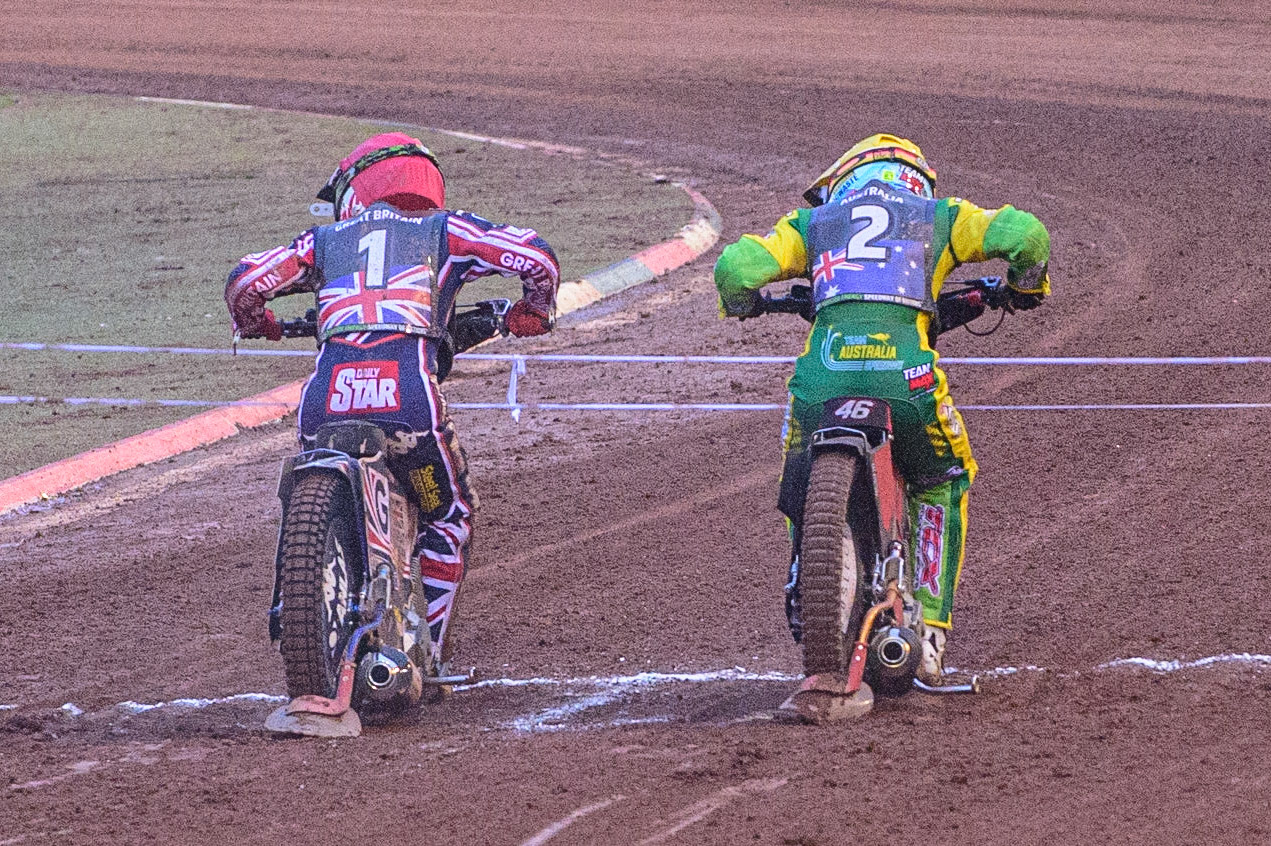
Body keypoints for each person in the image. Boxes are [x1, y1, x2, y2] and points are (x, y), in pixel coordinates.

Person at [714, 133, 1050, 684]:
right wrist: (1023, 287)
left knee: (798, 471)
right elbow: (1027, 235)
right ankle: (932, 632)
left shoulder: (812, 225)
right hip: (908, 381)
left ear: (844, 181)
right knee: (944, 478)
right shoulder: (941, 215)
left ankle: (805, 570)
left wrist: (744, 303)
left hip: (820, 382)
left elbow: (735, 268)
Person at [226, 131, 560, 672]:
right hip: (408, 402)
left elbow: (245, 282)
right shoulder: (444, 230)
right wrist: (536, 312)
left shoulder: (324, 241)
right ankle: (426, 656)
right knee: (448, 513)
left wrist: (256, 322)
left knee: (303, 479)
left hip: (325, 405)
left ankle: (306, 598)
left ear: (358, 187)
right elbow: (536, 259)